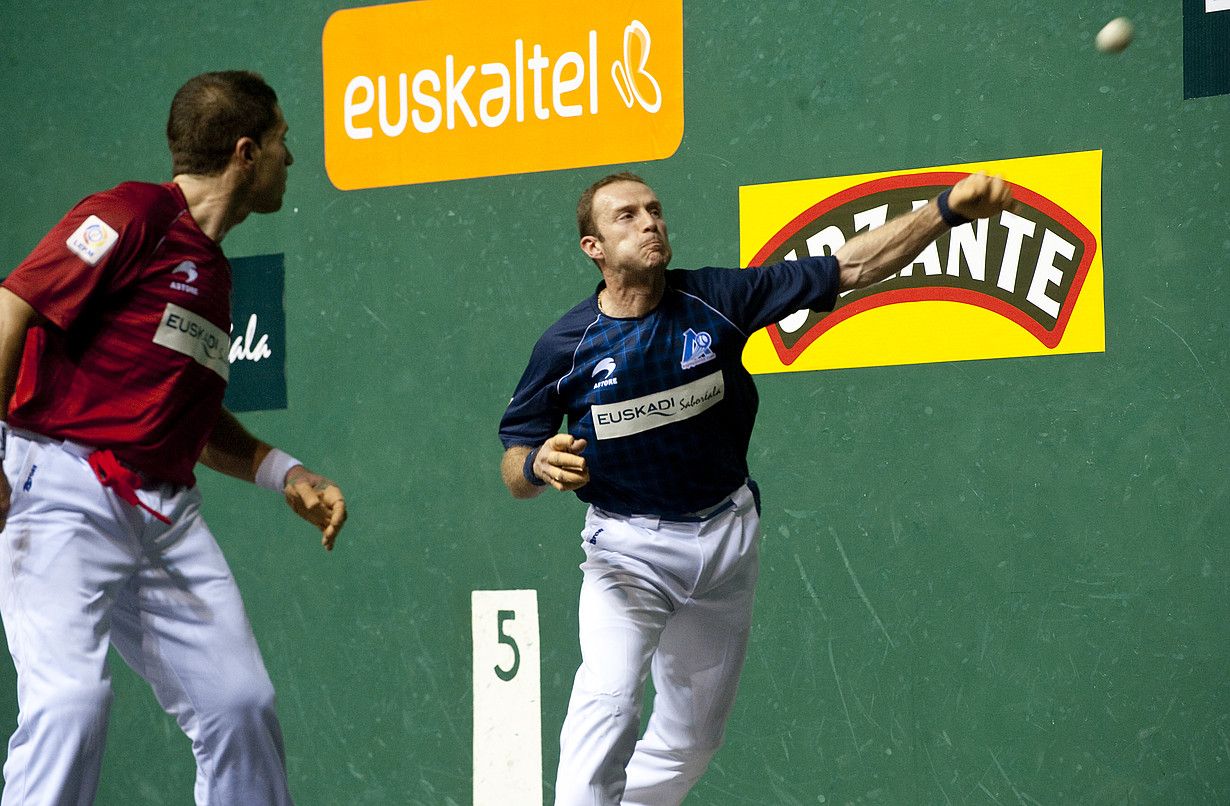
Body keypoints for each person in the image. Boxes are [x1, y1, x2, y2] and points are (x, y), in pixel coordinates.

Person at [498, 170, 1013, 805]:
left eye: (654, 209)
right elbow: (516, 455)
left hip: (725, 542)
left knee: (692, 742)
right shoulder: (567, 346)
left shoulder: (717, 298)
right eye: (626, 216)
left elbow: (847, 268)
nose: (649, 222)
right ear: (593, 247)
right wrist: (533, 467)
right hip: (627, 551)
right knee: (606, 698)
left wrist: (946, 210)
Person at [0, 71, 346, 805]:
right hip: (63, 492)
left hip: (163, 513)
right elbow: (9, 310)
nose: (294, 159)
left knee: (240, 705)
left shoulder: (213, 273)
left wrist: (281, 470)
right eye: (284, 143)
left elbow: (184, 417)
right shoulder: (127, 215)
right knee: (71, 706)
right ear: (247, 153)